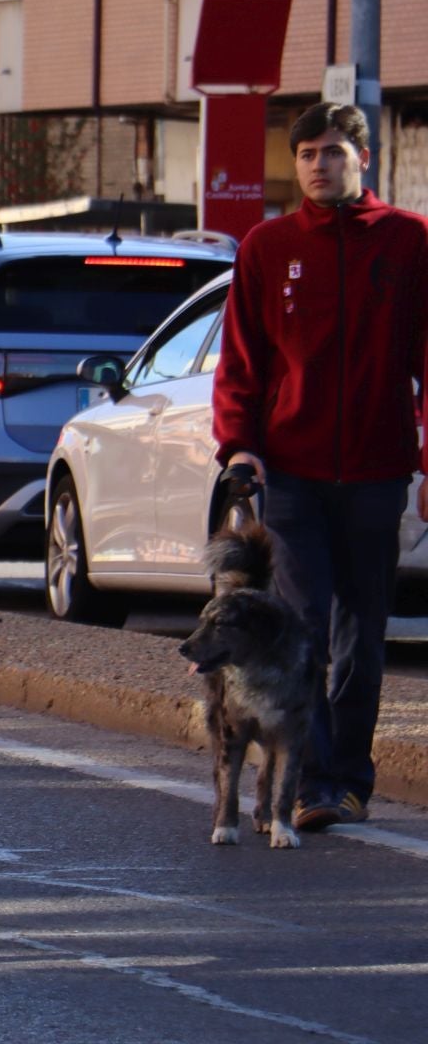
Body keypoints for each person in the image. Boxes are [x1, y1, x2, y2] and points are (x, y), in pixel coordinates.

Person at [213, 102, 428, 833]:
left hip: (376, 470)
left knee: (361, 633)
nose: (317, 164)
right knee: (302, 625)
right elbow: (241, 361)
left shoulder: (408, 241)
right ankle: (307, 783)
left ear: (362, 157)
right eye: (306, 152)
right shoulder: (267, 246)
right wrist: (240, 445)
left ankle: (347, 779)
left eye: (332, 150)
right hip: (293, 472)